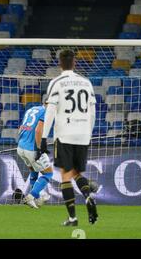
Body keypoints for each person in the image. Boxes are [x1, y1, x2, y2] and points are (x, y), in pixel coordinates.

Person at [40, 49, 98, 226]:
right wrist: (89, 132)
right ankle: (87, 195)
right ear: (75, 63)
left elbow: (50, 110)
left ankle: (72, 218)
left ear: (59, 63)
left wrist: (43, 138)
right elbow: (93, 111)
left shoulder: (56, 83)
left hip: (64, 133)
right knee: (77, 172)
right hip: (83, 133)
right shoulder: (86, 82)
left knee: (66, 174)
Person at [17, 102, 53, 208]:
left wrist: (22, 142)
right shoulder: (46, 112)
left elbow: (21, 128)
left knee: (34, 170)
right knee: (48, 174)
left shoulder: (31, 109)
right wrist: (38, 148)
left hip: (21, 147)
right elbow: (38, 130)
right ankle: (32, 196)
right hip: (32, 148)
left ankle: (35, 199)